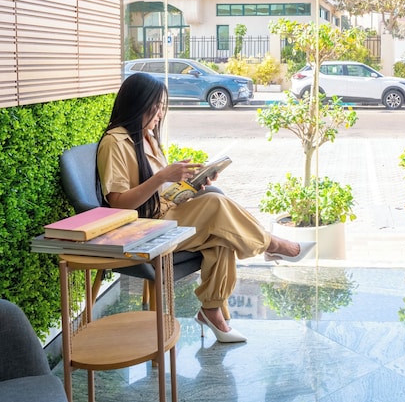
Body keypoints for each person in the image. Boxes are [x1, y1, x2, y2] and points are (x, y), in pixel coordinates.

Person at [96, 72, 314, 343]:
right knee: (217, 209)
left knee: (221, 231)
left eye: (162, 107)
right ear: (137, 104)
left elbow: (161, 192)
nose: (160, 114)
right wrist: (162, 177)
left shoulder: (147, 136)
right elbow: (118, 203)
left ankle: (212, 311)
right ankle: (274, 246)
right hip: (143, 227)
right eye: (155, 107)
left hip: (166, 212)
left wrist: (191, 185)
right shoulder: (115, 142)